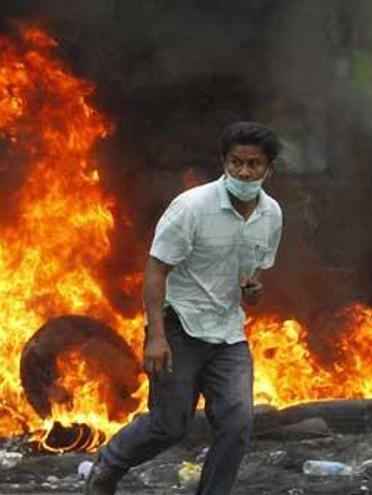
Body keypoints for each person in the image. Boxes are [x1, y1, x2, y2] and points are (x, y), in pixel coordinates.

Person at [86, 121, 283, 494]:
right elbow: (156, 270)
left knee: (237, 423)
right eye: (236, 162)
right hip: (179, 328)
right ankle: (108, 465)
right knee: (169, 426)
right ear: (224, 162)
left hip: (227, 333)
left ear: (268, 169)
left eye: (253, 164)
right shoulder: (192, 207)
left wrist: (254, 288)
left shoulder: (271, 215)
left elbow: (255, 269)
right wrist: (156, 336)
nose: (243, 171)